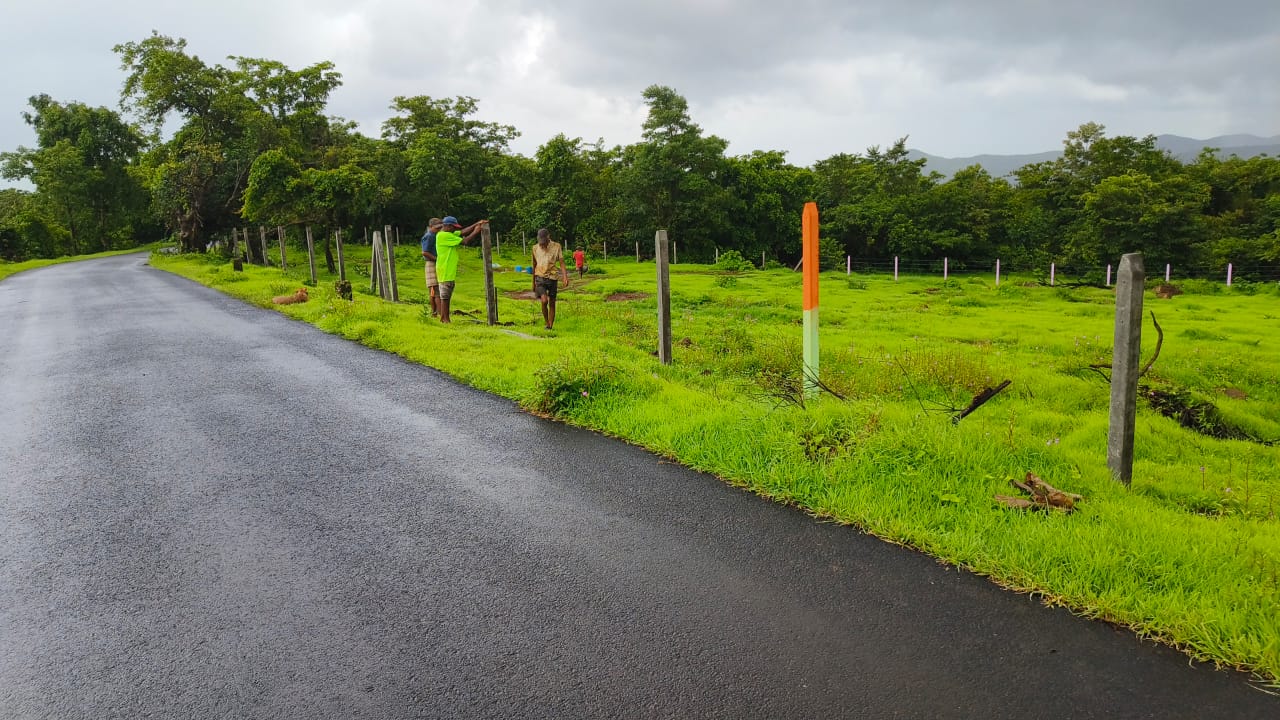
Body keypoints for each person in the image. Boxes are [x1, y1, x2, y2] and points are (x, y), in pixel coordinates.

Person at [434, 215, 487, 324]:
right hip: (445, 270)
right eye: (454, 227)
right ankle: (445, 319)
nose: (455, 229)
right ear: (448, 226)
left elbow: (462, 232)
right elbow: (465, 241)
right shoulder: (443, 236)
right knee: (445, 297)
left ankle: (444, 318)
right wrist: (476, 231)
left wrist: (476, 223)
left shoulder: (447, 233)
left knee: (447, 295)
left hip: (448, 270)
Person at [531, 228, 569, 330]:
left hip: (552, 277)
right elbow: (534, 264)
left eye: (543, 242)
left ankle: (550, 326)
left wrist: (565, 277)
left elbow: (561, 262)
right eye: (540, 242)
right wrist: (533, 282)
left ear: (548, 238)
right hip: (540, 277)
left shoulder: (557, 246)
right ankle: (546, 322)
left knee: (552, 301)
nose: (542, 244)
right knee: (544, 300)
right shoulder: (535, 248)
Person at [420, 217, 443, 316]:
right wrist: (436, 259)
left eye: (440, 228)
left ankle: (437, 312)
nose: (439, 230)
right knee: (434, 290)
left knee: (437, 289)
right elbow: (425, 252)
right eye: (437, 228)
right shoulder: (429, 236)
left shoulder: (436, 235)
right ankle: (437, 312)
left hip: (436, 263)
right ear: (431, 227)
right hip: (431, 263)